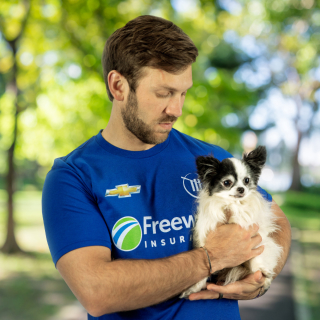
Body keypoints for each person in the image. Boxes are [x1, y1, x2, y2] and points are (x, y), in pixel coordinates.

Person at [42, 15, 291, 320]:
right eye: (164, 93)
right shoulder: (72, 178)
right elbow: (96, 291)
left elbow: (278, 220)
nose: (176, 110)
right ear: (119, 86)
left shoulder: (211, 158)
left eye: (183, 92)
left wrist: (262, 279)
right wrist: (209, 259)